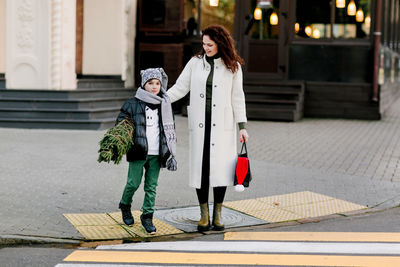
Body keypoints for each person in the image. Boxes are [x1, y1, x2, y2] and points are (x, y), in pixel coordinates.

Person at [167, 25, 249, 231]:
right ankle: (203, 215)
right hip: (200, 126)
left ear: (220, 43)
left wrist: (242, 127)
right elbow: (180, 87)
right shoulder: (195, 63)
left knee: (221, 170)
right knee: (201, 170)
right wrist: (161, 99)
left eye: (210, 45)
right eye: (204, 44)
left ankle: (218, 214)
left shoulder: (233, 67)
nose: (206, 48)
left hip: (223, 126)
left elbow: (238, 98)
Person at [116, 68, 177, 234]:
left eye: (157, 83)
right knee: (133, 183)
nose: (154, 86)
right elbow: (121, 125)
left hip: (157, 154)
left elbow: (170, 130)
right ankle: (125, 204)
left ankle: (147, 215)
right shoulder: (132, 104)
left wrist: (169, 150)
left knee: (151, 186)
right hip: (138, 151)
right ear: (144, 85)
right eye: (150, 83)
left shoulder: (165, 105)